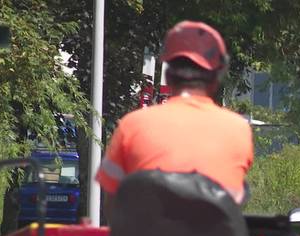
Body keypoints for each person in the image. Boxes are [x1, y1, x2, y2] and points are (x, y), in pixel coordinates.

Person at [95, 21, 253, 221]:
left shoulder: (132, 125)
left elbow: (113, 206)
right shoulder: (238, 130)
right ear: (216, 77)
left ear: (168, 76)